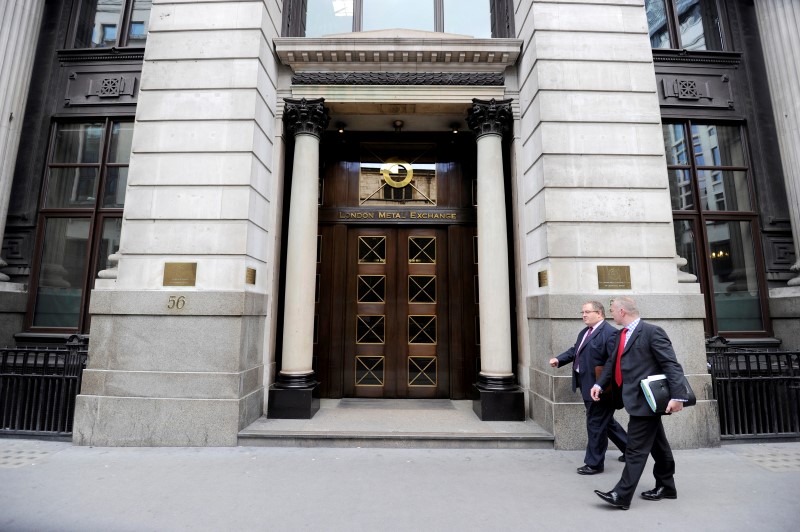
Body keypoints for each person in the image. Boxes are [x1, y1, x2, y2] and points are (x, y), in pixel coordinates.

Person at [591, 296, 689, 510]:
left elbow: (671, 365)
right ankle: (667, 486)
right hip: (632, 399)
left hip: (647, 401)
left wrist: (678, 397)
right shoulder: (620, 335)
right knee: (658, 445)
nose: (611, 314)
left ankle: (621, 494)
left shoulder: (652, 332)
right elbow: (611, 363)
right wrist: (600, 384)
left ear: (622, 311)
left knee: (635, 449)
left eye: (612, 310)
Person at [549, 301, 627, 475]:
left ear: (599, 313)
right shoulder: (585, 332)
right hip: (586, 385)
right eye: (582, 312)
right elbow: (575, 351)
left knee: (596, 423)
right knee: (604, 422)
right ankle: (629, 449)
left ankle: (594, 463)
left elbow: (612, 363)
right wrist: (559, 359)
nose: (583, 315)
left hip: (600, 388)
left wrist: (600, 385)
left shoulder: (610, 333)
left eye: (587, 312)